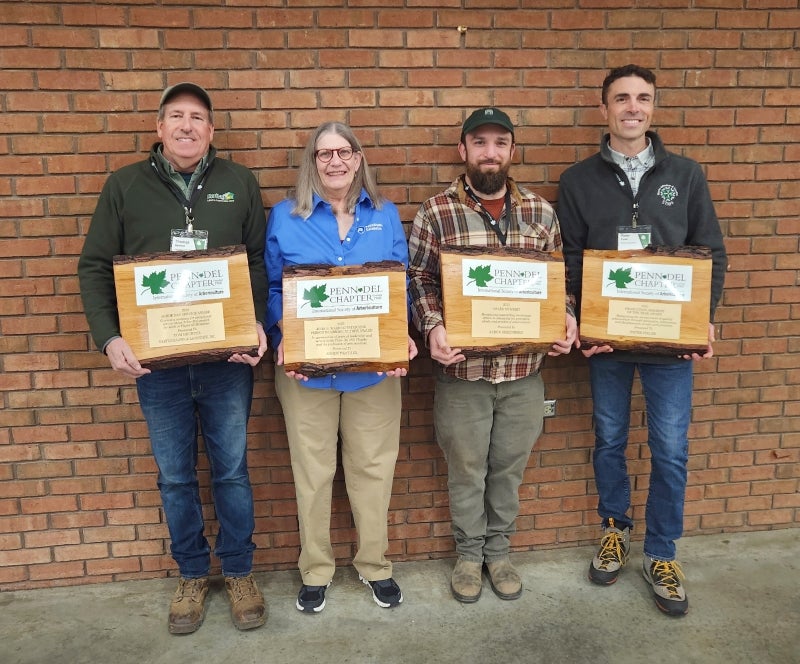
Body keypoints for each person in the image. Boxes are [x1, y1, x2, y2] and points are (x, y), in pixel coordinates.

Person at [77, 82, 268, 634]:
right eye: (176, 117)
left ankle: (238, 572)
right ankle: (190, 574)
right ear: (159, 128)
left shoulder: (238, 183)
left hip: (225, 360)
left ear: (211, 131)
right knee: (176, 476)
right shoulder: (124, 186)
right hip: (156, 365)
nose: (187, 126)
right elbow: (94, 266)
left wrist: (254, 320)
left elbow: (256, 259)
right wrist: (110, 338)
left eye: (198, 119)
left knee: (231, 470)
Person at [557, 64, 727, 616]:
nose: (633, 107)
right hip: (606, 345)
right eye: (622, 98)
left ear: (652, 108)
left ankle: (661, 552)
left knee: (671, 451)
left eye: (643, 98)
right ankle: (614, 531)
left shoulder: (687, 173)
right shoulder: (577, 180)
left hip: (670, 346)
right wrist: (582, 321)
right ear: (603, 109)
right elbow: (569, 262)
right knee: (609, 441)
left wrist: (702, 318)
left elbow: (710, 254)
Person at [407, 108, 576, 603]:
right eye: (479, 142)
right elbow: (416, 279)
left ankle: (498, 553)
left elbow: (557, 284)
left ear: (511, 151)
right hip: (464, 371)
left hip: (524, 373)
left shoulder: (541, 214)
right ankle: (467, 554)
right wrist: (433, 326)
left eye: (499, 143)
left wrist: (566, 318)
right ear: (463, 150)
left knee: (507, 467)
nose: (489, 152)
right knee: (466, 468)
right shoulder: (437, 212)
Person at [265, 122, 418, 613]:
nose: (335, 161)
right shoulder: (285, 216)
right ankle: (315, 570)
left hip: (373, 373)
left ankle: (374, 566)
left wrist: (403, 339)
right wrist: (284, 335)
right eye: (324, 153)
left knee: (374, 469)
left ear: (358, 158)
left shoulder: (386, 214)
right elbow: (272, 287)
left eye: (344, 152)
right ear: (311, 161)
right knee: (312, 472)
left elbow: (400, 284)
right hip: (306, 373)